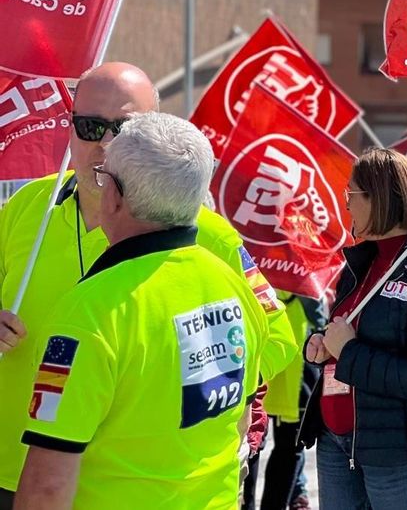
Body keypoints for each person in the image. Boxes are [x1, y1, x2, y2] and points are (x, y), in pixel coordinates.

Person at [0, 63, 296, 510]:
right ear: (70, 126)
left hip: (133, 484)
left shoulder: (205, 232)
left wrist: (180, 384)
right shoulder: (29, 207)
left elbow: (276, 337)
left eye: (124, 128)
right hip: (18, 466)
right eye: (90, 125)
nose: (105, 143)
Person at [299, 148, 407, 510]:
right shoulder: (361, 263)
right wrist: (321, 346)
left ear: (379, 199)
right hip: (339, 441)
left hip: (400, 454)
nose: (345, 205)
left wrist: (348, 351)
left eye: (351, 194)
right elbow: (345, 334)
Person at [243, 293, 325, 510]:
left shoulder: (249, 263)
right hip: (291, 355)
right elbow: (318, 314)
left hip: (269, 356)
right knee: (284, 445)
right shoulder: (305, 265)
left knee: (255, 444)